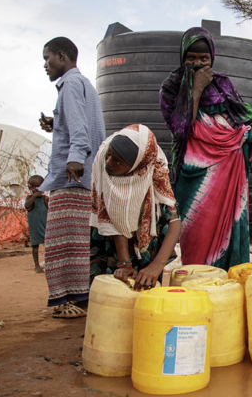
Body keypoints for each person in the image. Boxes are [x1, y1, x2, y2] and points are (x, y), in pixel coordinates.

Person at [160, 27, 252, 270]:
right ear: (182, 57)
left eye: (203, 59)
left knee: (229, 227)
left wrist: (246, 134)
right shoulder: (172, 87)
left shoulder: (222, 85)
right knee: (195, 230)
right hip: (192, 173)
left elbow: (245, 117)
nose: (197, 63)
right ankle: (198, 283)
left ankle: (226, 288)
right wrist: (195, 89)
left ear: (212, 59)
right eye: (191, 58)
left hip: (228, 170)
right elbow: (180, 129)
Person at [39, 36, 106, 318]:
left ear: (62, 56)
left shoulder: (69, 85)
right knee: (78, 240)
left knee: (61, 241)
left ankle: (69, 300)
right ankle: (78, 296)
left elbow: (80, 131)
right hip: (83, 175)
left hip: (72, 176)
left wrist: (76, 157)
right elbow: (80, 123)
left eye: (47, 58)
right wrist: (56, 125)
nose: (45, 65)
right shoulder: (85, 85)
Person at [90, 125, 180, 290]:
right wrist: (124, 263)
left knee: (147, 292)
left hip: (145, 238)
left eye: (117, 161)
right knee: (113, 294)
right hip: (113, 236)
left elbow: (175, 222)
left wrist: (157, 265)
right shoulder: (103, 163)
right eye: (110, 155)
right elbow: (113, 214)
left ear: (136, 167)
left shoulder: (155, 169)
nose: (109, 163)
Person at [25, 175, 48, 273]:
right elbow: (27, 206)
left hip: (45, 227)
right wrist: (34, 196)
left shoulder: (46, 199)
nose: (37, 189)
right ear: (30, 188)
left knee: (48, 246)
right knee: (35, 246)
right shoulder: (29, 198)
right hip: (35, 227)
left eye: (39, 186)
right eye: (34, 187)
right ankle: (36, 265)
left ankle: (49, 263)